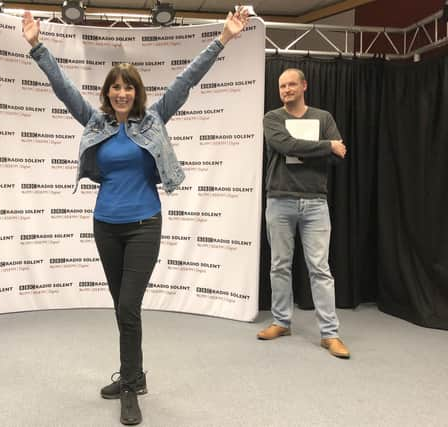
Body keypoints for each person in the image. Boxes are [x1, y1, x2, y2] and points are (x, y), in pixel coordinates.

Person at [22, 7, 249, 425]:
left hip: (145, 223)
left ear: (137, 92)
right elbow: (64, 88)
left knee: (128, 306)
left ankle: (129, 388)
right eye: (115, 88)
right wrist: (38, 45)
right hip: (105, 225)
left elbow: (187, 80)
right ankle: (135, 374)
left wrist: (223, 38)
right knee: (121, 307)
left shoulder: (155, 118)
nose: (121, 93)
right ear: (108, 93)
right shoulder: (95, 121)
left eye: (128, 88)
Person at [258, 68, 350, 359]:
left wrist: (327, 150)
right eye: (282, 85)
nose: (286, 89)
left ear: (304, 86)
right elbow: (284, 144)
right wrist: (325, 147)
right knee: (279, 266)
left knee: (320, 269)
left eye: (292, 84)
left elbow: (340, 157)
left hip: (315, 203)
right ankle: (281, 322)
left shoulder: (323, 118)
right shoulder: (272, 118)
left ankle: (330, 334)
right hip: (280, 200)